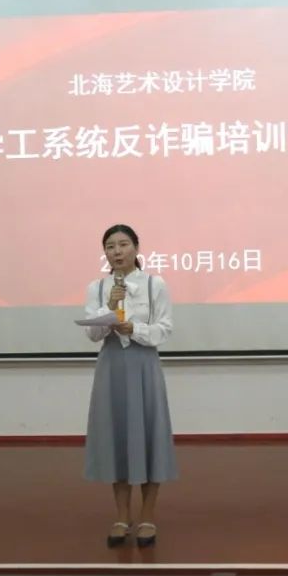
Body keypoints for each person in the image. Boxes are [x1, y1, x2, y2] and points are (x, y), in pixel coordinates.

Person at [82, 224, 178, 548]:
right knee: (118, 438)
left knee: (148, 437)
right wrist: (110, 308)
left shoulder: (154, 284)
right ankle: (122, 516)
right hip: (112, 366)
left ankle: (147, 515)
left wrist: (134, 328)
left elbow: (165, 329)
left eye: (123, 244)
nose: (117, 251)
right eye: (110, 246)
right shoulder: (97, 287)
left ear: (136, 248)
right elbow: (92, 334)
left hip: (143, 363)